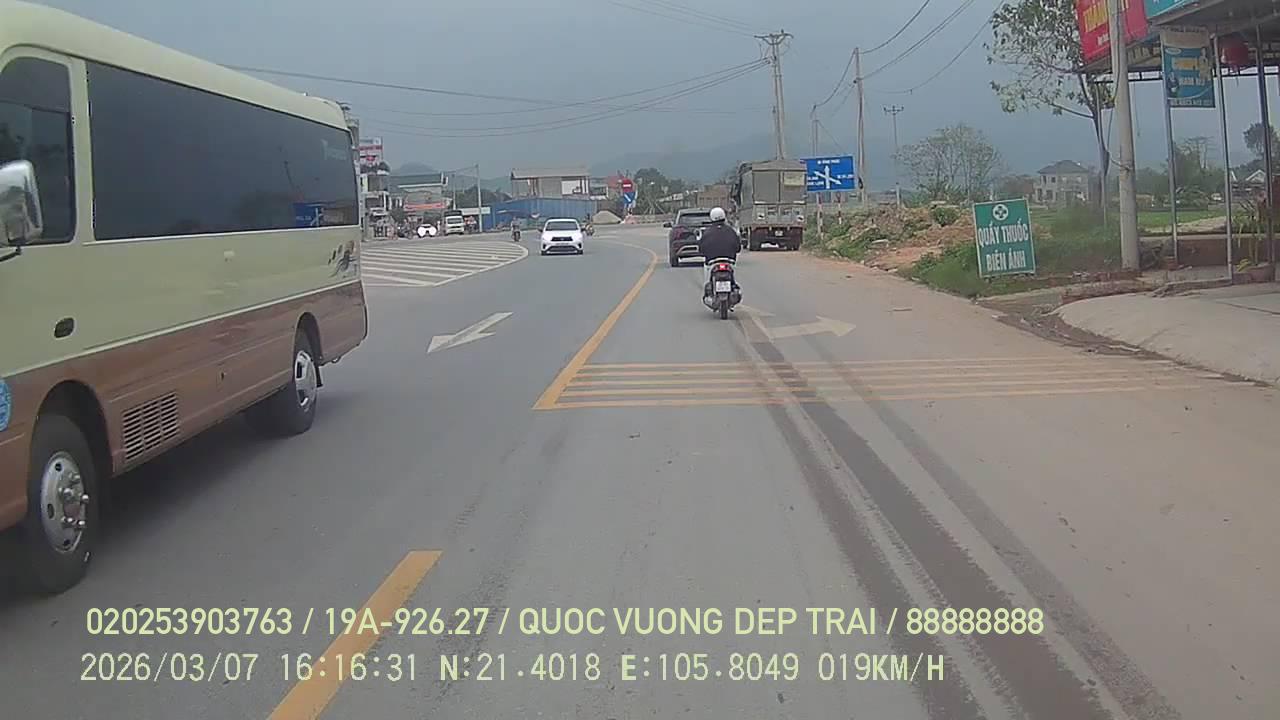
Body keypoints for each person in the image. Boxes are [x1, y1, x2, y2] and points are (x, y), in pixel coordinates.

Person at [697, 207, 740, 296]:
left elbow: (701, 249)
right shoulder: (731, 231)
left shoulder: (707, 232)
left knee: (707, 276)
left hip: (712, 262)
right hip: (729, 261)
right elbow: (738, 247)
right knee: (733, 276)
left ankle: (708, 291)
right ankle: (733, 286)